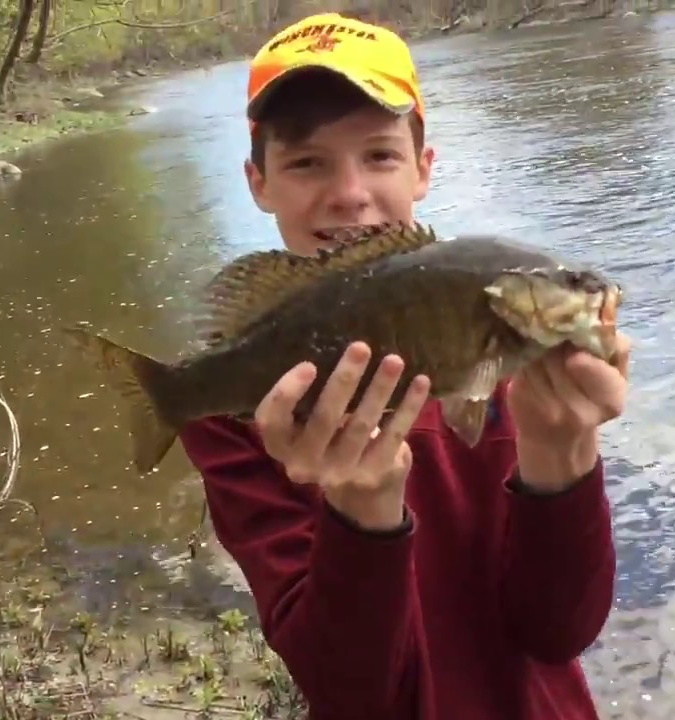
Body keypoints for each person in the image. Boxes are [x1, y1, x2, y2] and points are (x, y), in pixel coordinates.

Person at [177, 11, 632, 720]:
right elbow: (352, 693)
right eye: (305, 162)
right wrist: (361, 513)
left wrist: (562, 460)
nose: (350, 193)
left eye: (380, 156)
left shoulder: (521, 373)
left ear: (424, 168)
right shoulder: (238, 418)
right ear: (257, 181)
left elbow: (559, 631)